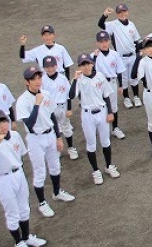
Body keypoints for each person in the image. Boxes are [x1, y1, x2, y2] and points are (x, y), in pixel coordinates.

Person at [0, 109, 48, 247]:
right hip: (3, 179)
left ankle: (26, 237)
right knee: (12, 212)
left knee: (24, 208)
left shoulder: (15, 135)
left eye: (4, 121)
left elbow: (20, 154)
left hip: (18, 174)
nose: (2, 126)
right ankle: (18, 242)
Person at [16, 66, 76, 218]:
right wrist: (37, 104)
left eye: (39, 78)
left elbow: (52, 116)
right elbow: (29, 124)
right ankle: (42, 203)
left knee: (55, 166)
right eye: (33, 79)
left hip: (50, 135)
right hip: (35, 138)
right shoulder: (23, 101)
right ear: (27, 82)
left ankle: (56, 192)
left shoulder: (46, 94)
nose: (37, 81)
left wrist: (58, 137)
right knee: (40, 171)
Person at [69, 53, 120, 185]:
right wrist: (75, 79)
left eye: (88, 63)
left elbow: (106, 95)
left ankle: (109, 166)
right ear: (80, 67)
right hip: (87, 114)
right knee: (91, 144)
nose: (86, 67)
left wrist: (110, 112)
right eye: (83, 65)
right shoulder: (79, 80)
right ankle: (96, 171)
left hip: (102, 112)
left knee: (105, 141)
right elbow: (71, 95)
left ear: (92, 64)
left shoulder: (100, 76)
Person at [97, 4, 142, 109]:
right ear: (117, 14)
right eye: (120, 12)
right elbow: (100, 24)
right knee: (124, 79)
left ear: (128, 12)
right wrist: (105, 15)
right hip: (121, 57)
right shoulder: (113, 25)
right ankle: (126, 98)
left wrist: (138, 55)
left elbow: (136, 41)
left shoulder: (131, 24)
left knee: (134, 77)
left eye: (124, 11)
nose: (122, 14)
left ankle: (136, 96)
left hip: (132, 55)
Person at [91, 30, 127, 139]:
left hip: (112, 82)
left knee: (113, 106)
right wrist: (95, 58)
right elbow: (90, 71)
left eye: (106, 41)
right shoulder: (93, 55)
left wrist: (120, 85)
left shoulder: (114, 54)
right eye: (101, 41)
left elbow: (119, 70)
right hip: (99, 84)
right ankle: (103, 129)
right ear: (97, 43)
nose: (104, 43)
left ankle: (115, 128)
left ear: (109, 41)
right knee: (100, 106)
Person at [40, 56, 77, 159]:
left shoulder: (62, 78)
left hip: (62, 107)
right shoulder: (42, 80)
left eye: (52, 66)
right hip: (49, 109)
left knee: (66, 127)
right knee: (53, 130)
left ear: (56, 66)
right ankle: (57, 149)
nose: (50, 69)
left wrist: (69, 109)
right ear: (44, 68)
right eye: (47, 67)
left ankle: (71, 148)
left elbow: (68, 94)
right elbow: (41, 97)